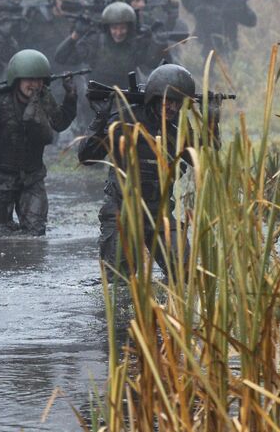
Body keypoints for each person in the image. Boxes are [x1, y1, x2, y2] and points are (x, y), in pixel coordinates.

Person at [79, 64, 210, 277]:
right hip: (123, 209)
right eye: (167, 101)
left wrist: (211, 124)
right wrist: (100, 119)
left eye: (177, 104)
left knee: (186, 274)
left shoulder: (177, 127)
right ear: (155, 98)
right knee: (119, 280)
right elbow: (86, 157)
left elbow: (200, 161)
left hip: (160, 211)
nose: (171, 108)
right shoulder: (126, 119)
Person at [0, 49, 79, 236]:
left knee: (35, 233)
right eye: (29, 80)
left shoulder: (44, 97)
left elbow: (60, 123)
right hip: (0, 177)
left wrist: (70, 96)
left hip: (32, 176)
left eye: (39, 80)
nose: (35, 85)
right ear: (17, 80)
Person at [55, 2, 161, 88]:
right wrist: (76, 35)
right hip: (97, 100)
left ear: (129, 28)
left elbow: (154, 64)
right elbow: (61, 58)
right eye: (114, 28)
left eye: (122, 28)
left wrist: (152, 42)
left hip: (128, 100)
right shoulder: (95, 42)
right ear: (107, 28)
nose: (118, 33)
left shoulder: (136, 44)